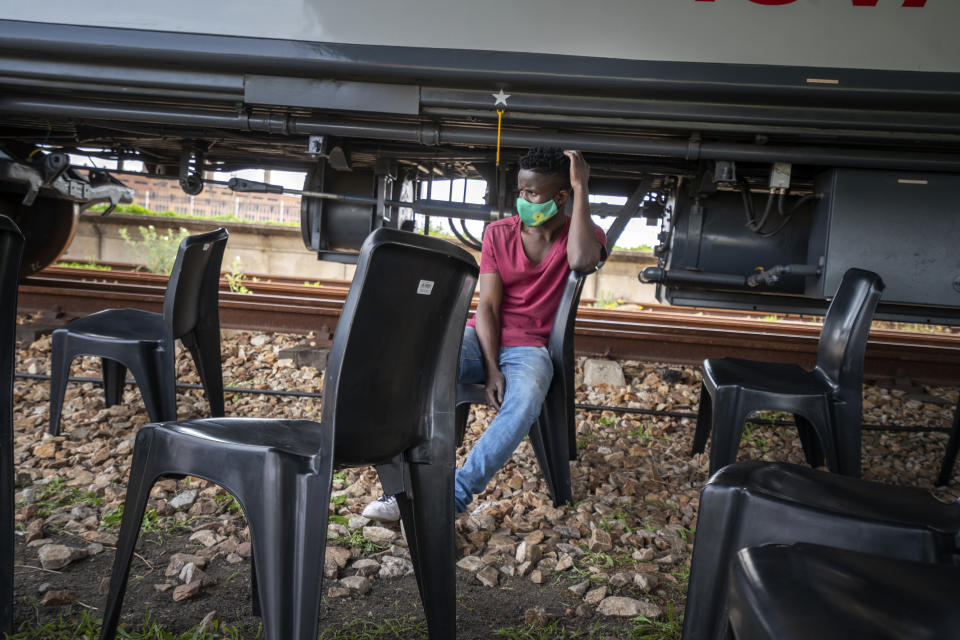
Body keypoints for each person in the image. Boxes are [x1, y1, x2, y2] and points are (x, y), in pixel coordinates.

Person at [364, 146, 606, 521]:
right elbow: (488, 308)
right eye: (520, 191)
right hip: (482, 340)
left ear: (561, 197)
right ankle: (400, 490)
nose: (523, 200)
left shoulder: (584, 234)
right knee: (414, 364)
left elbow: (581, 260)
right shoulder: (498, 234)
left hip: (531, 350)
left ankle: (451, 497)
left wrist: (581, 186)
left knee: (524, 401)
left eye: (533, 193)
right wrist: (492, 370)